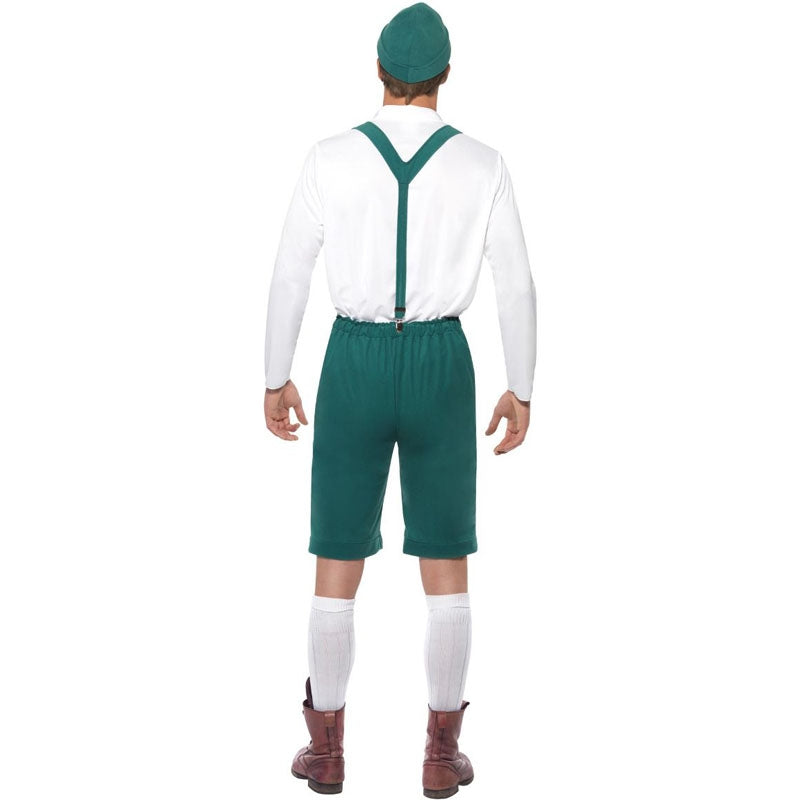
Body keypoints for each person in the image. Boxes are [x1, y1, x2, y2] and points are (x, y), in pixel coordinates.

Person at [262, 3, 536, 796]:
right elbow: (517, 284)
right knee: (446, 558)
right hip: (442, 363)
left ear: (377, 70)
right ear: (446, 75)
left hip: (353, 358)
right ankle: (441, 755)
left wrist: (276, 375)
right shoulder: (484, 163)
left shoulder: (329, 157)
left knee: (336, 556)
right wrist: (521, 386)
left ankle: (327, 751)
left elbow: (289, 273)